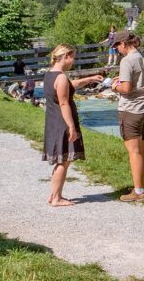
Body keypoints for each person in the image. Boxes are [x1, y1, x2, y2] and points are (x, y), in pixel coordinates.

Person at [42, 44, 103, 207]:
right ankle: (56, 198)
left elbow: (69, 86)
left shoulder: (50, 75)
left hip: (53, 121)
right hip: (62, 122)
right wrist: (71, 127)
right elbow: (63, 103)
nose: (74, 60)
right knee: (64, 160)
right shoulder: (61, 77)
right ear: (66, 56)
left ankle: (54, 195)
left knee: (61, 159)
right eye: (73, 56)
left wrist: (89, 79)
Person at [113, 30, 144, 201]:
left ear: (123, 44)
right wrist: (123, 80)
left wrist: (114, 86)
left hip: (132, 110)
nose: (117, 50)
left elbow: (126, 89)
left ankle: (138, 192)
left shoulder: (127, 60)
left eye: (117, 46)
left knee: (134, 152)